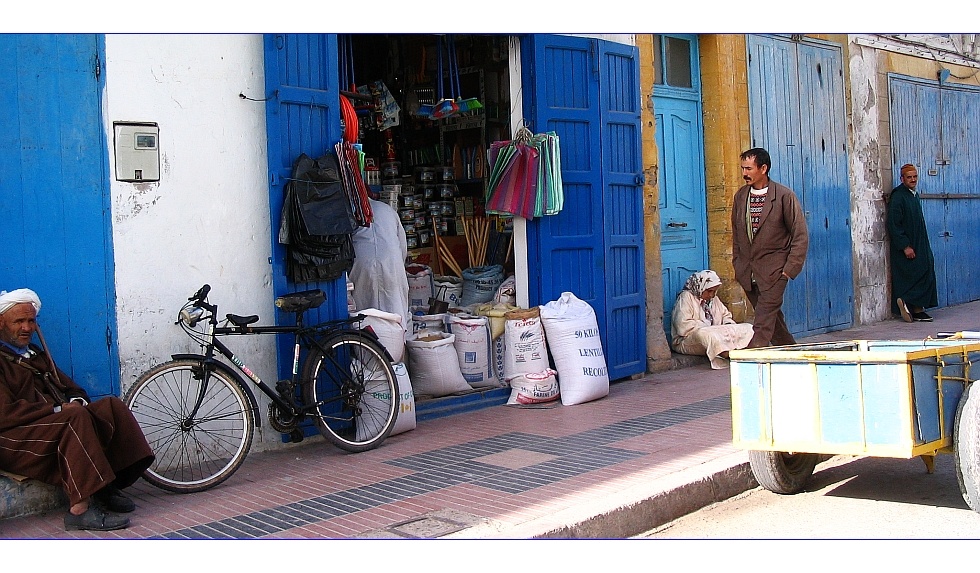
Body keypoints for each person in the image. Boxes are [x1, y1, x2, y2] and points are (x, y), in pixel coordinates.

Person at [0, 289, 154, 531]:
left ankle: (106, 486)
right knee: (73, 416)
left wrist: (75, 400)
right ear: (1, 323)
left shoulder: (36, 355)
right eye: (18, 321)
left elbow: (71, 388)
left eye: (31, 321)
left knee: (110, 407)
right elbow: (4, 414)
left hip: (49, 425)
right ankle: (79, 510)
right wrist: (57, 409)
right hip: (14, 439)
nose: (27, 328)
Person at [731, 147, 809, 348]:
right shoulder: (741, 197)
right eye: (742, 168)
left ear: (763, 168)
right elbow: (737, 235)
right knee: (772, 317)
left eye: (748, 168)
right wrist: (738, 264)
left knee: (764, 316)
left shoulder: (784, 196)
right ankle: (790, 350)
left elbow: (800, 235)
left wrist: (789, 270)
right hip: (748, 271)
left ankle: (754, 352)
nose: (744, 173)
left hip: (776, 270)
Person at [671, 270, 755, 369]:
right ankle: (730, 355)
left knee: (748, 327)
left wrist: (727, 325)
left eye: (714, 291)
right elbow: (683, 326)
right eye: (709, 291)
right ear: (701, 287)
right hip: (686, 341)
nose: (712, 295)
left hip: (716, 332)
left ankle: (742, 351)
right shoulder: (686, 297)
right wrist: (711, 329)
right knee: (707, 334)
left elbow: (726, 315)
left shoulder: (713, 299)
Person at [349, 198, 410, 332]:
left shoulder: (351, 210)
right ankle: (397, 346)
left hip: (362, 261)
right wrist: (400, 264)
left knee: (365, 310)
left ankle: (369, 346)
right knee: (395, 307)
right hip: (392, 261)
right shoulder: (387, 209)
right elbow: (402, 244)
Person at [887, 163, 937, 322]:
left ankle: (917, 309)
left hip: (919, 242)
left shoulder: (913, 195)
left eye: (915, 177)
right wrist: (905, 246)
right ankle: (905, 301)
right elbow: (894, 224)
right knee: (913, 273)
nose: (913, 180)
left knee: (925, 269)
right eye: (909, 177)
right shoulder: (899, 196)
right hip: (908, 245)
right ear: (902, 179)